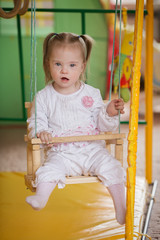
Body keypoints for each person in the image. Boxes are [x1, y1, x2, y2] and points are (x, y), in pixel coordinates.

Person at [26, 32, 126, 225]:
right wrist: (41, 131)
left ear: (82, 67)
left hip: (92, 149)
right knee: (48, 170)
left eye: (72, 65)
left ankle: (121, 208)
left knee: (112, 167)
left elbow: (102, 125)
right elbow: (36, 120)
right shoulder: (44, 96)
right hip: (61, 153)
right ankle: (40, 198)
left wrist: (109, 112)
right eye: (58, 64)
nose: (65, 70)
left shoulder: (91, 93)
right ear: (48, 64)